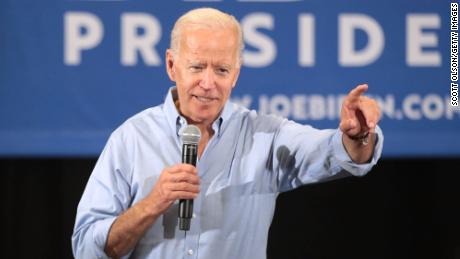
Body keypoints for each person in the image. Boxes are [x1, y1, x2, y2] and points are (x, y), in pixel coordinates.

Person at [72, 7, 383, 259]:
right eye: (197, 67)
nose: (209, 83)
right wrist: (150, 205)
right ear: (171, 65)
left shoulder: (266, 136)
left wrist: (357, 137)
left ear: (236, 74)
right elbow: (87, 248)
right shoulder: (131, 139)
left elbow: (334, 154)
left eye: (221, 70)